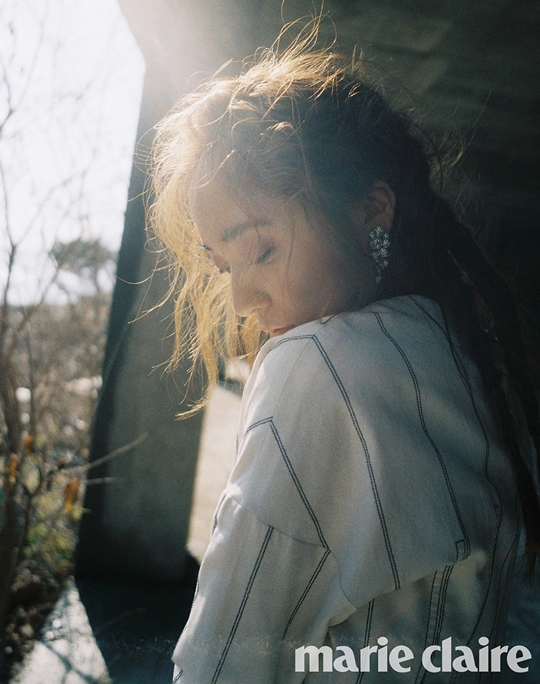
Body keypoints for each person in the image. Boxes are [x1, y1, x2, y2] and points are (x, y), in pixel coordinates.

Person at [150, 27, 540, 683]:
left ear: (371, 211)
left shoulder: (315, 368)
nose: (241, 299)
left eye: (260, 250)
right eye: (224, 267)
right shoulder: (474, 357)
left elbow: (220, 662)